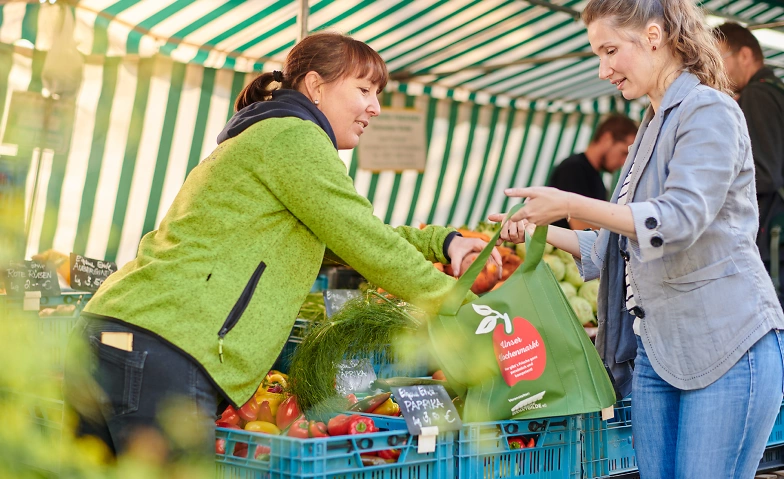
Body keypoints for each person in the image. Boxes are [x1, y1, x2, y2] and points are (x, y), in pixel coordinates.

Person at [63, 32, 497, 460]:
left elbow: (349, 237)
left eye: (377, 93)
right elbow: (366, 241)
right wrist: (455, 302)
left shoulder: (273, 135)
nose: (375, 107)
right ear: (315, 86)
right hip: (164, 348)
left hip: (126, 335)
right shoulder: (295, 137)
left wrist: (443, 242)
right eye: (364, 89)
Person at [490, 1, 784, 477]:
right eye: (597, 55)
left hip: (727, 346)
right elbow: (617, 249)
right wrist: (542, 233)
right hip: (659, 351)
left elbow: (677, 220)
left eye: (610, 50)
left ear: (653, 36)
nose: (603, 70)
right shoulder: (650, 126)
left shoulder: (709, 110)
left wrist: (570, 204)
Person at [714, 22, 784, 299]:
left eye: (721, 59)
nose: (718, 69)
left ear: (744, 55)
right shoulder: (776, 90)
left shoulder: (758, 94)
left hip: (771, 237)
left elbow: (764, 175)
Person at [548, 114, 637, 230]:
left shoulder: (597, 180)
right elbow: (581, 227)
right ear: (607, 138)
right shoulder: (573, 169)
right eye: (624, 153)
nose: (624, 162)